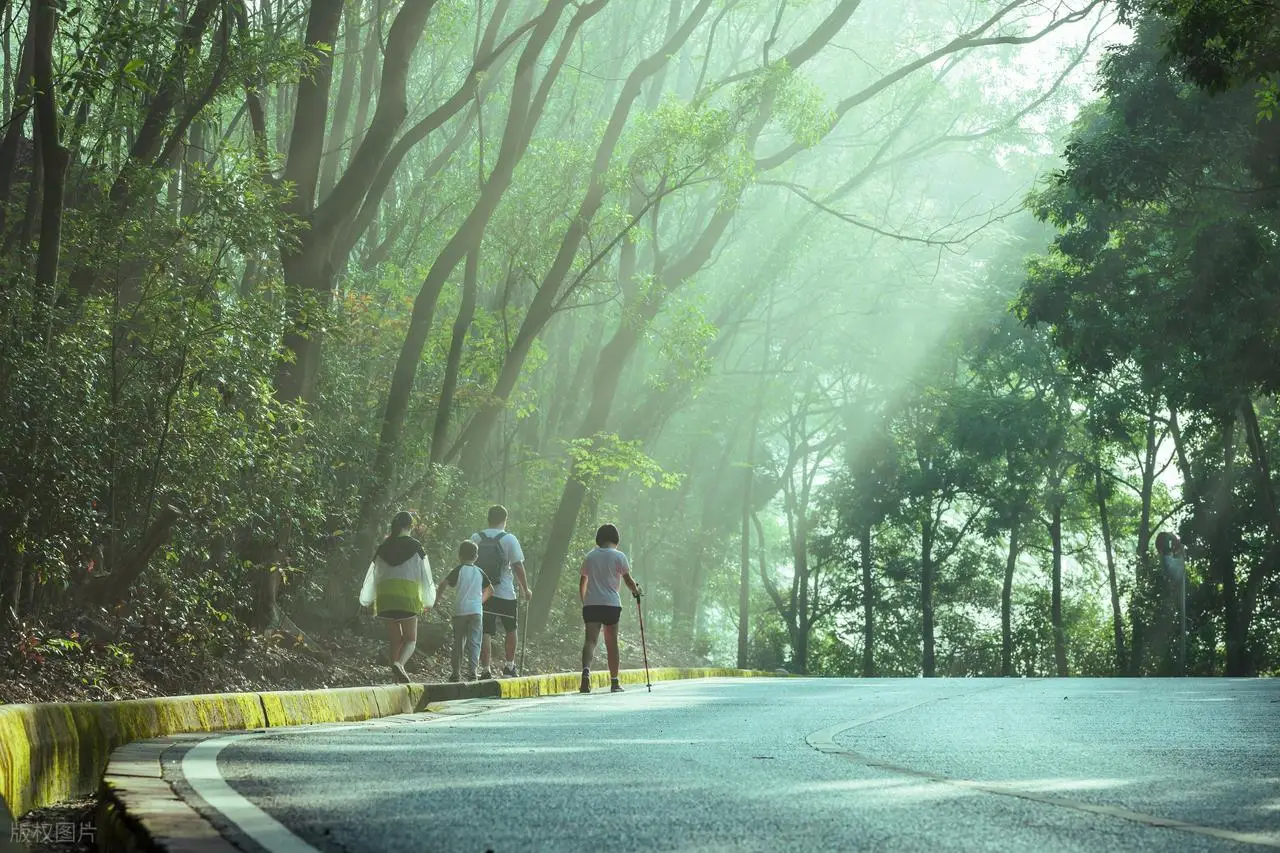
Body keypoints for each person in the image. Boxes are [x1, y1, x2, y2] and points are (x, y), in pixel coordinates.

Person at [358, 511, 435, 684]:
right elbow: (426, 575)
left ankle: (395, 679)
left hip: (385, 599)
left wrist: (366, 599)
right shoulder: (416, 546)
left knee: (395, 640)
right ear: (411, 526)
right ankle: (399, 664)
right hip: (407, 598)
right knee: (411, 640)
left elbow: (372, 575)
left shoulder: (383, 547)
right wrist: (428, 599)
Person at [578, 523, 640, 694]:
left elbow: (582, 581)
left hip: (592, 604)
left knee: (590, 641)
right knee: (611, 643)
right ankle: (614, 682)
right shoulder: (619, 556)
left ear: (599, 539)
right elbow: (628, 580)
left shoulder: (590, 556)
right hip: (611, 605)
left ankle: (585, 673)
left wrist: (585, 601)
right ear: (616, 539)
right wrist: (636, 591)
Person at [472, 505, 531, 678]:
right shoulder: (509, 539)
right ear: (505, 520)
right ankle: (509, 667)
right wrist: (525, 589)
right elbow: (517, 565)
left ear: (488, 518)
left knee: (485, 631)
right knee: (511, 628)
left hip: (483, 593)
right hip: (505, 593)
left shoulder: (476, 538)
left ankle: (485, 670)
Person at [436, 540, 492, 682]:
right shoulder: (479, 572)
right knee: (475, 642)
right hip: (476, 612)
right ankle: (472, 673)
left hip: (460, 611)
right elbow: (490, 589)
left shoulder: (459, 570)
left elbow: (443, 584)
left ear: (459, 556)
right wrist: (479, 601)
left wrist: (436, 600)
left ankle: (456, 673)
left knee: (458, 643)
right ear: (476, 557)